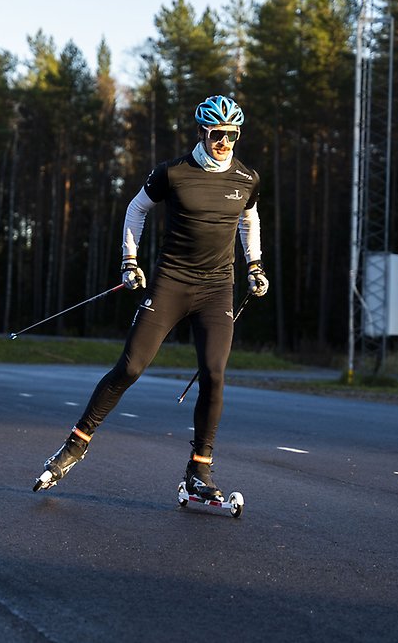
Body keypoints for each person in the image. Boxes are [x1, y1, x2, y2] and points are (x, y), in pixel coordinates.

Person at [33, 95, 270, 501]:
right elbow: (136, 209)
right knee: (131, 367)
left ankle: (200, 470)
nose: (224, 142)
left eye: (231, 134)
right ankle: (75, 444)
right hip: (172, 283)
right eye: (217, 134)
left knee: (214, 374)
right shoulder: (173, 173)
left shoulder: (247, 178)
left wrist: (255, 264)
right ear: (202, 132)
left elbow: (249, 217)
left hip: (217, 289)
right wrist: (130, 261)